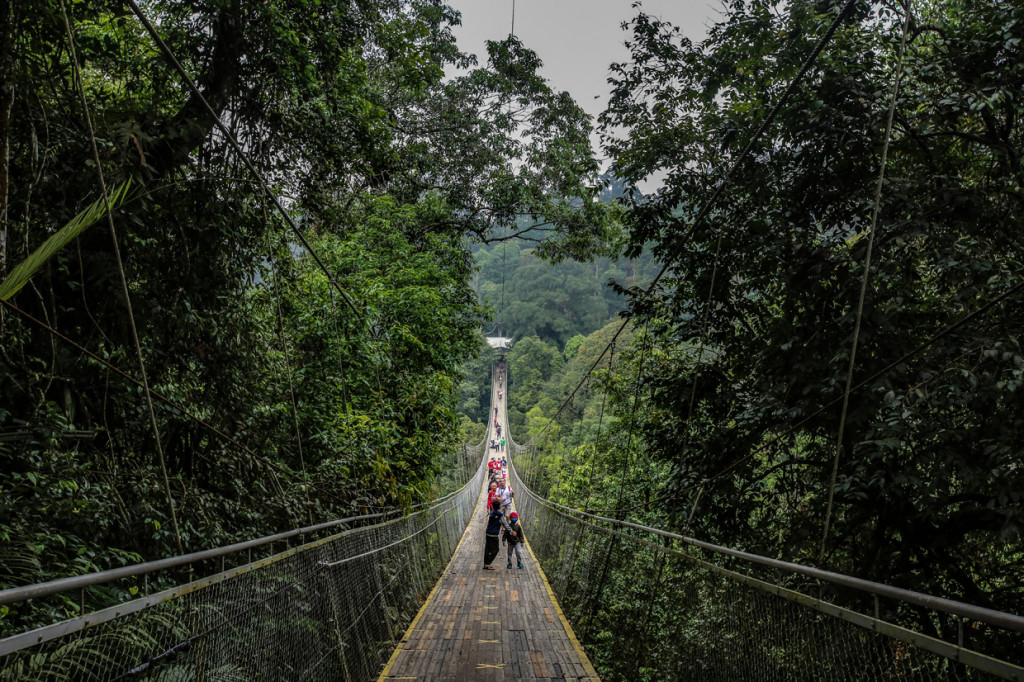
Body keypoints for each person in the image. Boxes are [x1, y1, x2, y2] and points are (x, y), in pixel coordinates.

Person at [484, 499, 514, 570]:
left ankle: (485, 564)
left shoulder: (491, 513)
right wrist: (511, 531)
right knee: (496, 549)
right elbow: (505, 524)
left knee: (487, 549)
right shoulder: (500, 515)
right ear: (499, 507)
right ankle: (488, 563)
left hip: (488, 533)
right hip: (494, 535)